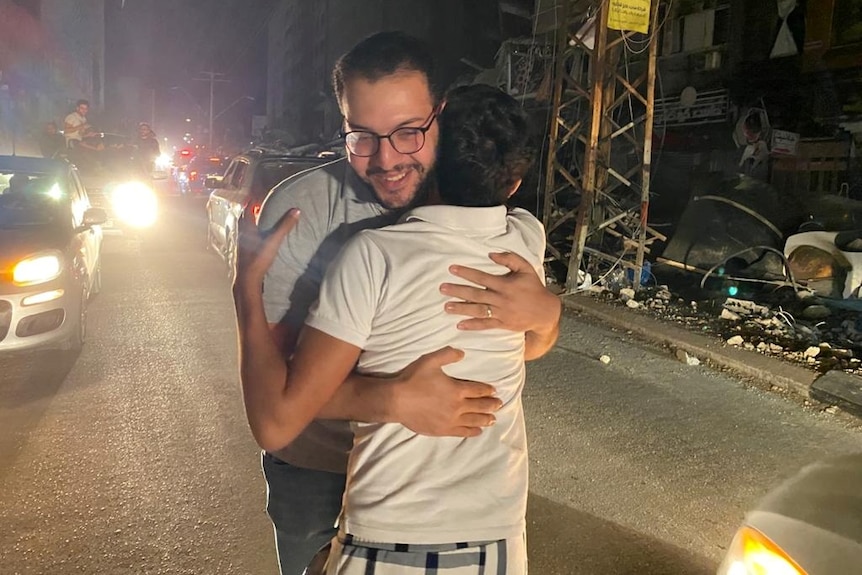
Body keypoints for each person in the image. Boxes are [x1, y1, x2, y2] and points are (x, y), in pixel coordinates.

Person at [236, 31, 561, 575]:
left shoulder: (488, 212)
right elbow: (277, 389)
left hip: (433, 502)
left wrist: (547, 316)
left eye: (408, 132)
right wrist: (391, 401)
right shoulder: (299, 213)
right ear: (341, 127)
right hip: (316, 473)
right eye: (361, 137)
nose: (386, 160)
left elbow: (520, 348)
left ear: (441, 116)